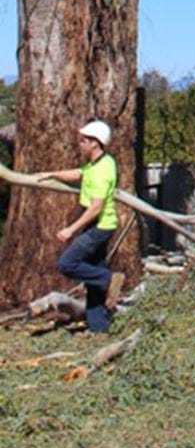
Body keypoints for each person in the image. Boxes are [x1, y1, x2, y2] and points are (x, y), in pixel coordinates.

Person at [54, 120, 118, 333]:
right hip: (97, 225)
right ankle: (98, 328)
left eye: (84, 141)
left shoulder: (101, 171)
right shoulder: (98, 163)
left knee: (67, 263)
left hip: (98, 226)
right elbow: (78, 174)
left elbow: (96, 207)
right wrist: (51, 175)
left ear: (95, 143)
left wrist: (70, 230)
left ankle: (108, 278)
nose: (80, 144)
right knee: (93, 280)